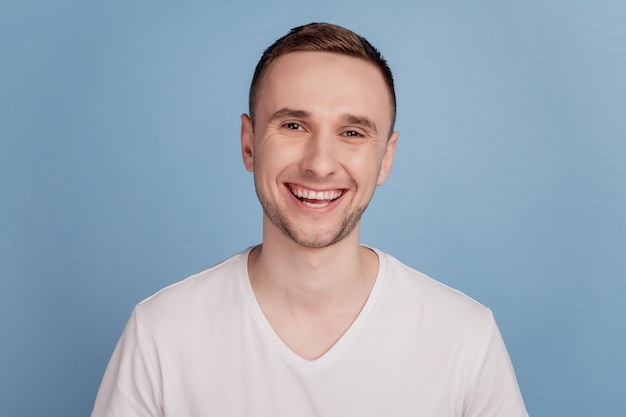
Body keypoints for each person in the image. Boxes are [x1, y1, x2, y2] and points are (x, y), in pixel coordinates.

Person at [92, 22, 528, 417]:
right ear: (249, 144)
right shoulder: (162, 334)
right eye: (294, 126)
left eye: (352, 132)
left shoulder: (464, 338)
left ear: (386, 159)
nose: (320, 165)